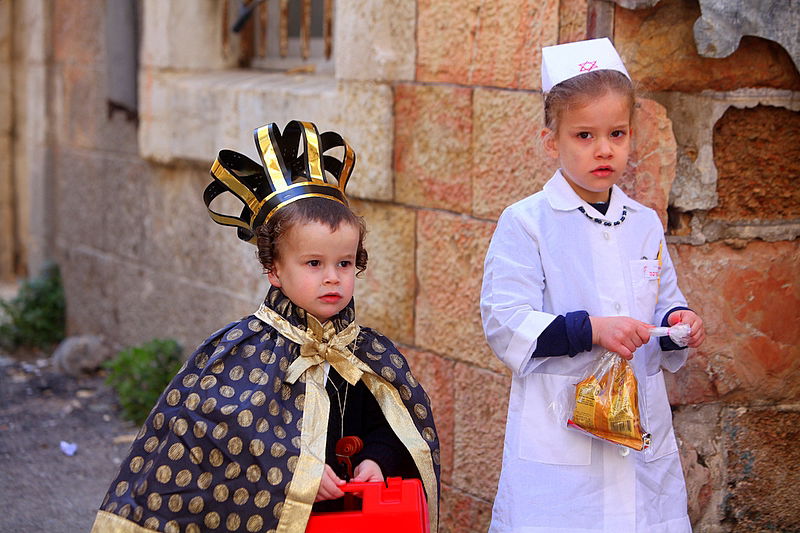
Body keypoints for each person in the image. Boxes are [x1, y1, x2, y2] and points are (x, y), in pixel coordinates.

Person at [90, 121, 440, 533]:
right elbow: (218, 441)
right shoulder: (238, 353)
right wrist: (299, 470)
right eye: (314, 263)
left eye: (343, 263)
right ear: (273, 269)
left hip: (358, 517)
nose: (332, 277)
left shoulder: (369, 354)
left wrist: (378, 460)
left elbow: (393, 427)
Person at [480, 38, 705, 532]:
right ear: (551, 142)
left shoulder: (644, 223)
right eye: (584, 135)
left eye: (617, 133)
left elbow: (663, 299)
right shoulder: (526, 224)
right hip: (563, 433)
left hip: (640, 426)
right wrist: (591, 330)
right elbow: (505, 323)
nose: (604, 149)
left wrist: (676, 321)